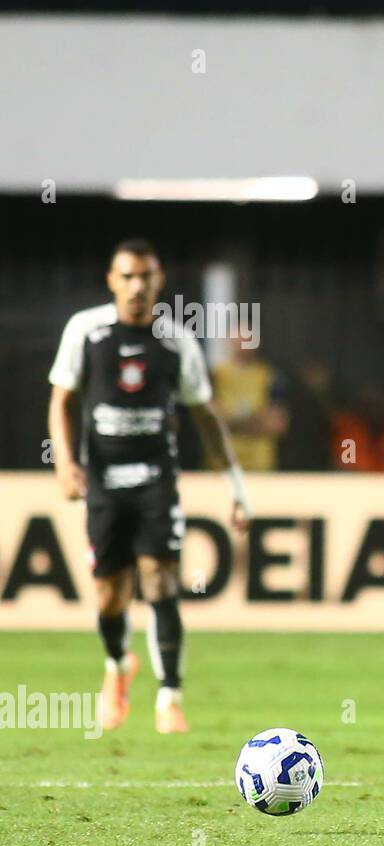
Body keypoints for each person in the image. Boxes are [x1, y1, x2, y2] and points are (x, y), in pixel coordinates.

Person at [47, 239, 251, 734]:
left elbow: (204, 415)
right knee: (109, 597)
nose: (137, 286)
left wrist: (235, 487)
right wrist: (66, 463)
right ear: (112, 280)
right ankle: (118, 666)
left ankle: (170, 697)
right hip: (104, 484)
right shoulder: (86, 331)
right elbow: (62, 401)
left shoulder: (176, 341)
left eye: (146, 277)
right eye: (128, 276)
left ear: (159, 282)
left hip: (157, 480)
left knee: (161, 581)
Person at [208, 324, 289, 471]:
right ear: (229, 341)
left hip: (259, 465)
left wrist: (231, 421)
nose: (244, 343)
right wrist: (256, 419)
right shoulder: (216, 375)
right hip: (222, 464)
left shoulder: (269, 376)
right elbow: (210, 420)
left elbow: (277, 424)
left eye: (249, 339)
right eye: (239, 338)